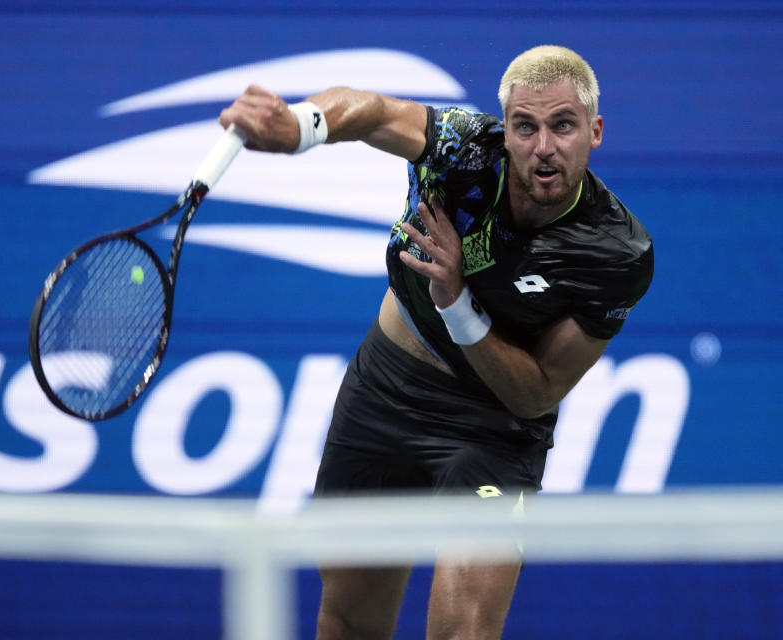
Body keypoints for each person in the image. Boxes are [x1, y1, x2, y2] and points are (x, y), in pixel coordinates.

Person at [220, 45, 653, 640]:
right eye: (525, 127)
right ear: (507, 130)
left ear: (594, 131)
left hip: (496, 430)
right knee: (348, 620)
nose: (543, 147)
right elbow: (373, 112)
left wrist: (457, 303)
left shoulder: (616, 253)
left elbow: (538, 392)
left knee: (463, 633)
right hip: (387, 390)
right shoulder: (466, 150)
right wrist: (299, 127)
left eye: (563, 125)